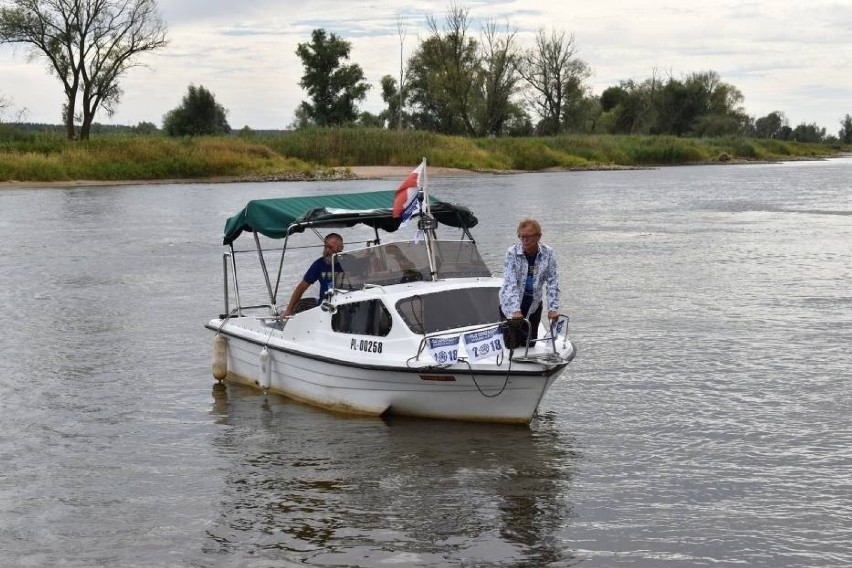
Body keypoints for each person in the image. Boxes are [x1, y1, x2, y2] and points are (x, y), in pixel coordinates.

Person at [499, 219, 561, 347]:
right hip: (511, 304)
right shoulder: (512, 253)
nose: (525, 240)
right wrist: (515, 310)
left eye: (528, 237)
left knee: (529, 344)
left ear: (538, 236)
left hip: (533, 304)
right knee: (512, 345)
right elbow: (510, 283)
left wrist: (553, 308)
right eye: (522, 237)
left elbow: (552, 282)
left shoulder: (548, 253)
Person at [280, 233, 344, 317]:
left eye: (331, 247)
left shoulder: (349, 261)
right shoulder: (319, 264)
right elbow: (302, 286)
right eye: (325, 247)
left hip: (346, 303)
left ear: (341, 248)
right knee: (300, 305)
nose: (327, 250)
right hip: (325, 306)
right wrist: (289, 310)